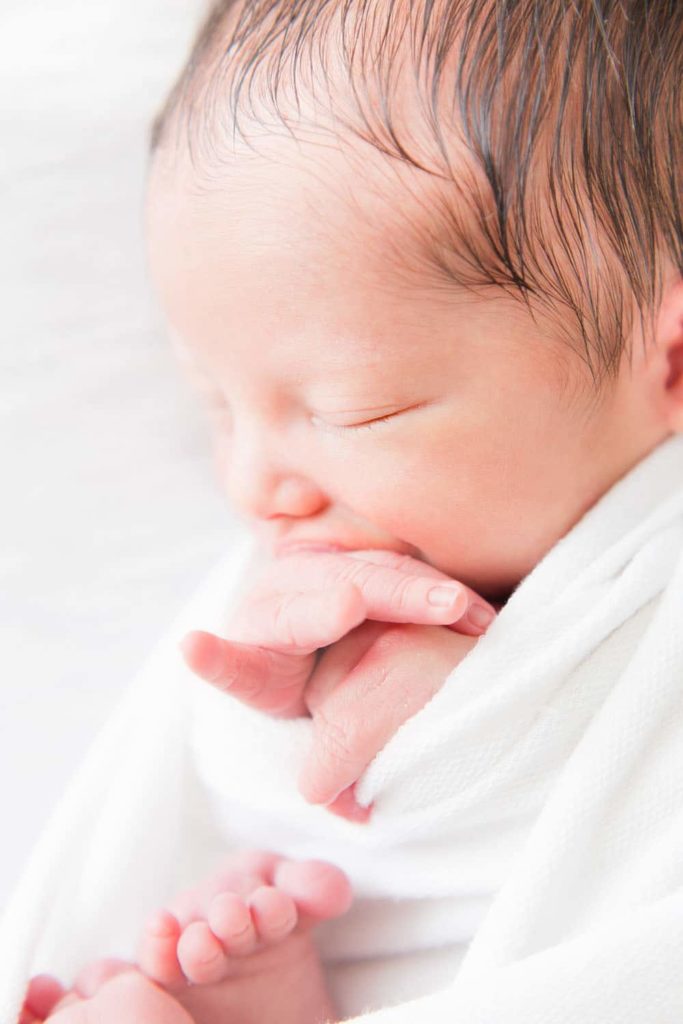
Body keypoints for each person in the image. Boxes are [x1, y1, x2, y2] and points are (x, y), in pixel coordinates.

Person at [19, 0, 682, 1020]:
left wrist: (452, 712)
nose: (253, 485)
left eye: (349, 411)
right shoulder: (312, 566)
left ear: (668, 363)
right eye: (216, 405)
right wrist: (281, 715)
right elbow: (217, 797)